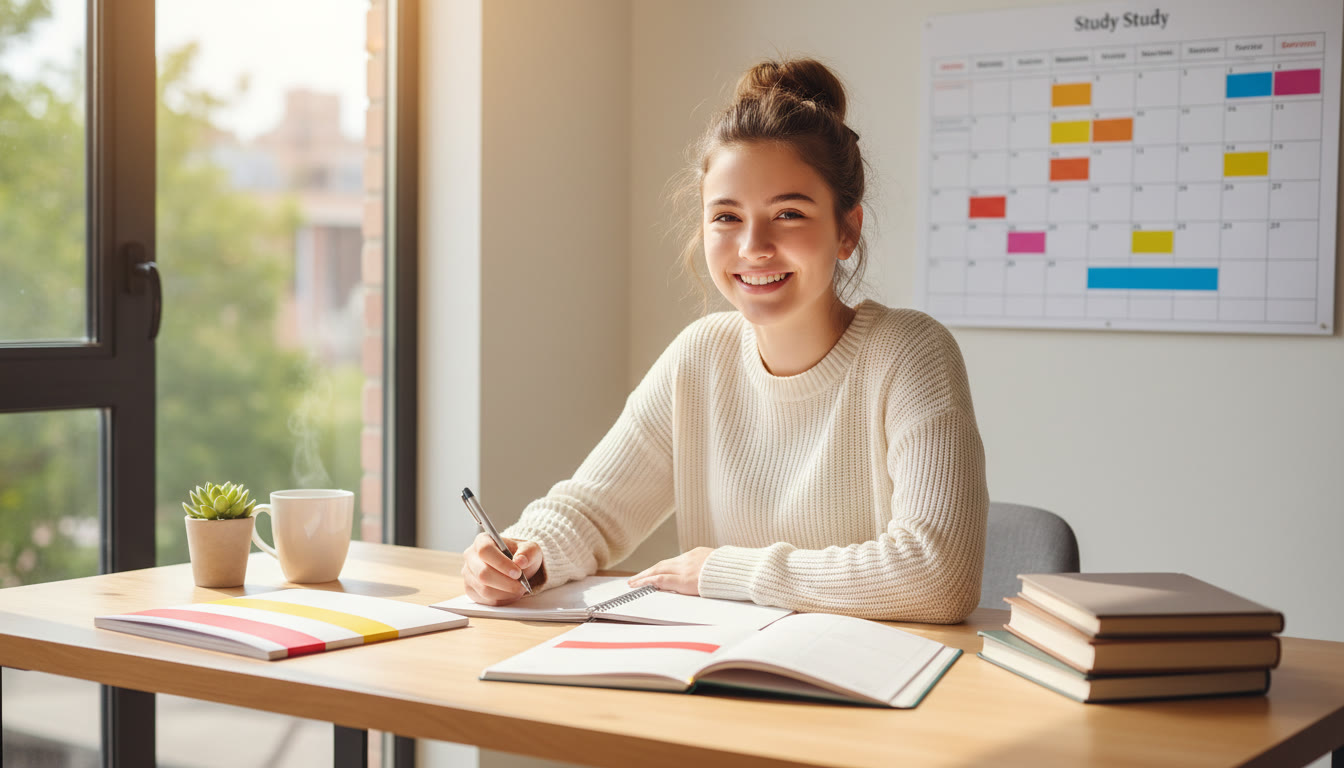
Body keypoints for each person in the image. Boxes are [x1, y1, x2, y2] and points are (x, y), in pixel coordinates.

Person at [462, 57, 988, 623]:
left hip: (865, 693)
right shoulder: (701, 356)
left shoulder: (910, 353)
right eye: (727, 217)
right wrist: (522, 553)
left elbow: (938, 576)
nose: (753, 246)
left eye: (788, 213)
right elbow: (591, 513)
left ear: (847, 230)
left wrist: (722, 572)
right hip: (718, 676)